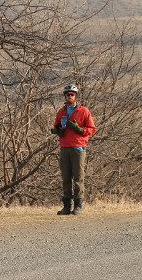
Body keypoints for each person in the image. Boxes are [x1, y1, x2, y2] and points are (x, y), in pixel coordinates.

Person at [50, 84, 96, 215]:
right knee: (65, 177)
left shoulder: (84, 111)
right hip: (64, 147)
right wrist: (58, 130)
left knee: (78, 177)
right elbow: (56, 126)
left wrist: (80, 130)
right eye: (68, 95)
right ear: (65, 96)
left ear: (75, 96)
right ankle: (66, 206)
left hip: (78, 147)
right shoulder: (61, 111)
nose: (70, 96)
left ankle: (78, 205)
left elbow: (92, 129)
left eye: (72, 95)